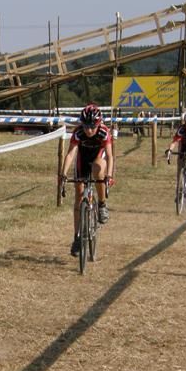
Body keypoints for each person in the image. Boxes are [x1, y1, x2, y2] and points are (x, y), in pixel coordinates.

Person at [59, 103, 115, 257]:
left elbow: (110, 156)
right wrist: (63, 174)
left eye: (92, 127)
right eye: (86, 126)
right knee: (79, 195)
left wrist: (109, 176)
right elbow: (71, 154)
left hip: (99, 157)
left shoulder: (104, 132)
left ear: (98, 124)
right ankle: (77, 237)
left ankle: (102, 204)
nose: (89, 130)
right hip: (83, 158)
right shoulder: (78, 132)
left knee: (97, 169)